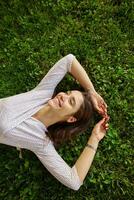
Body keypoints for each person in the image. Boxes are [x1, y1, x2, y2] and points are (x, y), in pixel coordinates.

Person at [0, 54, 109, 191]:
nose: (63, 96)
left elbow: (74, 181)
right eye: (68, 93)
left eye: (71, 101)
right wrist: (91, 91)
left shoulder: (41, 142)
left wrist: (95, 138)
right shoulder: (43, 93)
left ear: (71, 119)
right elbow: (69, 61)